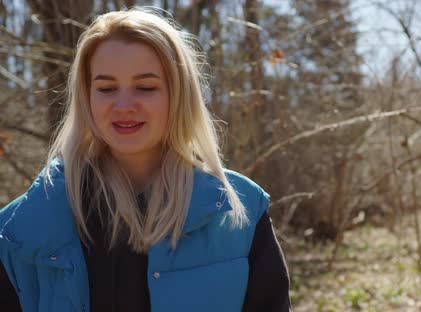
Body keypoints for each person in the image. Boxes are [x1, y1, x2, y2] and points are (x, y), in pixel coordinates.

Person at [0, 8, 291, 312]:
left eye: (146, 87)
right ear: (86, 97)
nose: (124, 105)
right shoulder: (18, 230)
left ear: (179, 95)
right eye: (107, 88)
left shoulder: (241, 211)